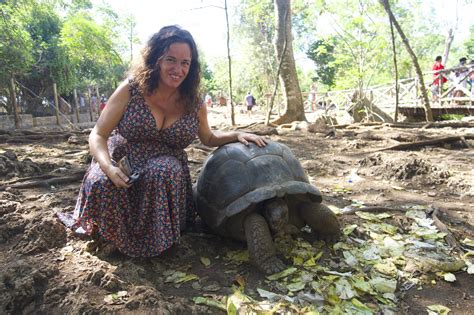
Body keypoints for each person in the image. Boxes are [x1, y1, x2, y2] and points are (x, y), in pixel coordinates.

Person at [57, 25, 267, 257]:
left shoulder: (194, 102)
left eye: (185, 62)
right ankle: (109, 236)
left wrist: (236, 134)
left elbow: (207, 137)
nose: (178, 69)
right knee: (101, 180)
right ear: (156, 58)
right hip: (122, 159)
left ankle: (157, 242)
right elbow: (98, 134)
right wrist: (108, 166)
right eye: (171, 59)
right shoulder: (131, 90)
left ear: (192, 66)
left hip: (165, 166)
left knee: (162, 171)